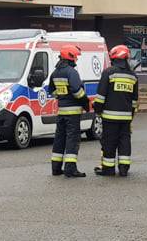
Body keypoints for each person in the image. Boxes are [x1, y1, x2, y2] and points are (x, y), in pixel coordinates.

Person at [92, 45, 139, 177]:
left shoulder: (108, 73)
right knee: (124, 142)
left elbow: (100, 97)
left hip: (109, 118)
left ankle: (108, 169)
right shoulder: (133, 76)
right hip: (126, 118)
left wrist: (98, 111)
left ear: (114, 58)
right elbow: (134, 100)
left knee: (109, 143)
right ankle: (124, 169)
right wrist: (131, 115)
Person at [47, 45, 90, 178]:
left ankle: (56, 168)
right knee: (72, 139)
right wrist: (85, 102)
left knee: (59, 139)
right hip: (73, 113)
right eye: (75, 57)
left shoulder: (55, 73)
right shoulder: (71, 72)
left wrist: (62, 96)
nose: (76, 60)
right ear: (70, 57)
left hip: (61, 112)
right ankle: (70, 169)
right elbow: (77, 91)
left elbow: (52, 91)